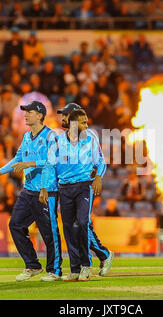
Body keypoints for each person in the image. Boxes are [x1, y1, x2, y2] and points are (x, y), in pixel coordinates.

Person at [0, 101, 62, 282]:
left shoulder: (51, 136)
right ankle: (33, 265)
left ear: (40, 115)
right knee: (16, 225)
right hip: (29, 191)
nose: (25, 115)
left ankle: (55, 270)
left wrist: (30, 164)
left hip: (47, 190)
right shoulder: (27, 137)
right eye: (25, 112)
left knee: (49, 232)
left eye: (30, 112)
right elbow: (17, 159)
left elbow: (53, 161)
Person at [40, 108, 109, 281]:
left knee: (83, 223)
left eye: (86, 121)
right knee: (69, 228)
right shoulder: (57, 141)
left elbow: (100, 161)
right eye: (83, 122)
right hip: (65, 188)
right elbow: (49, 166)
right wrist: (44, 188)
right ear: (73, 123)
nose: (87, 125)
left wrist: (98, 177)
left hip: (84, 186)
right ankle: (75, 269)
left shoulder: (90, 139)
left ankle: (86, 266)